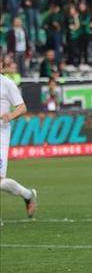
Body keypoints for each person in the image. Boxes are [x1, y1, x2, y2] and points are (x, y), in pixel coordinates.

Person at [1, 64, 38, 219]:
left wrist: (10, 116)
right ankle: (28, 195)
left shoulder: (6, 83)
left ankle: (28, 195)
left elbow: (22, 108)